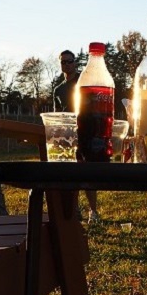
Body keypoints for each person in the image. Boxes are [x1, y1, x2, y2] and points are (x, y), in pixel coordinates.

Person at [52, 49, 100, 223]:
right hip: (66, 134)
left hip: (85, 131)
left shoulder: (84, 83)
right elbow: (57, 114)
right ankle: (74, 210)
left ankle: (93, 211)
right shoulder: (58, 89)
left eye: (69, 61)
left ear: (75, 62)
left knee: (87, 172)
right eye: (63, 62)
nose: (66, 65)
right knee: (70, 173)